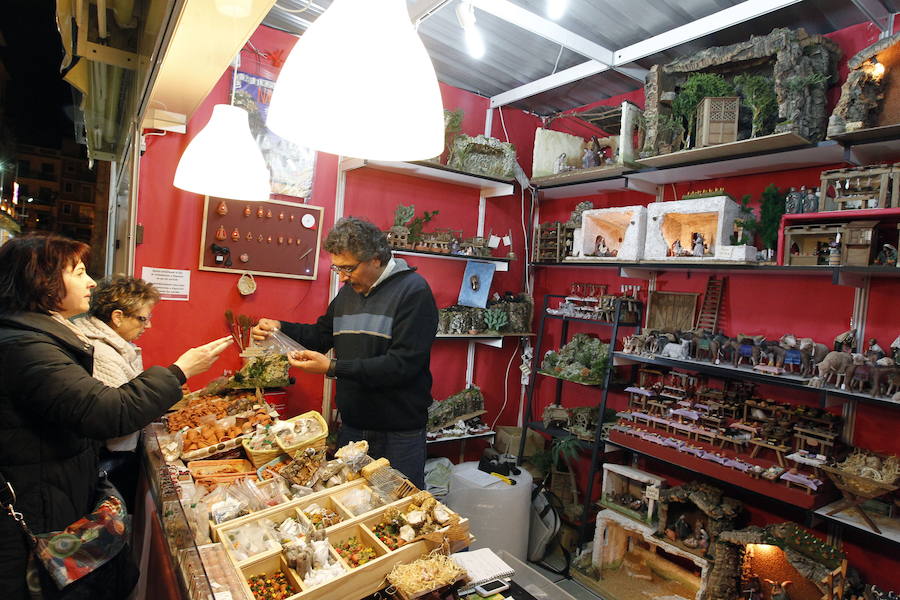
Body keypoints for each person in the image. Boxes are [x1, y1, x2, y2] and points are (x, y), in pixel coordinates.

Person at [0, 234, 232, 599]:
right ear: (41, 280)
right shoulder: (28, 347)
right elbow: (109, 411)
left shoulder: (39, 335)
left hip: (57, 491)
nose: (91, 281)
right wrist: (179, 371)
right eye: (78, 272)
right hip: (39, 507)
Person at [252, 217, 438, 488]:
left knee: (398, 510)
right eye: (338, 268)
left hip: (398, 434)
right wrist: (279, 328)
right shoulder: (349, 293)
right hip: (352, 427)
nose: (342, 277)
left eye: (348, 268)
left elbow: (402, 366)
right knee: (350, 503)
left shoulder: (414, 292)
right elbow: (321, 335)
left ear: (375, 259)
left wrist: (332, 368)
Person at [72, 275, 161, 510]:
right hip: (110, 460)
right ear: (117, 317)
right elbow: (120, 416)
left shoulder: (118, 344)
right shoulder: (101, 352)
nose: (148, 325)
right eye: (143, 318)